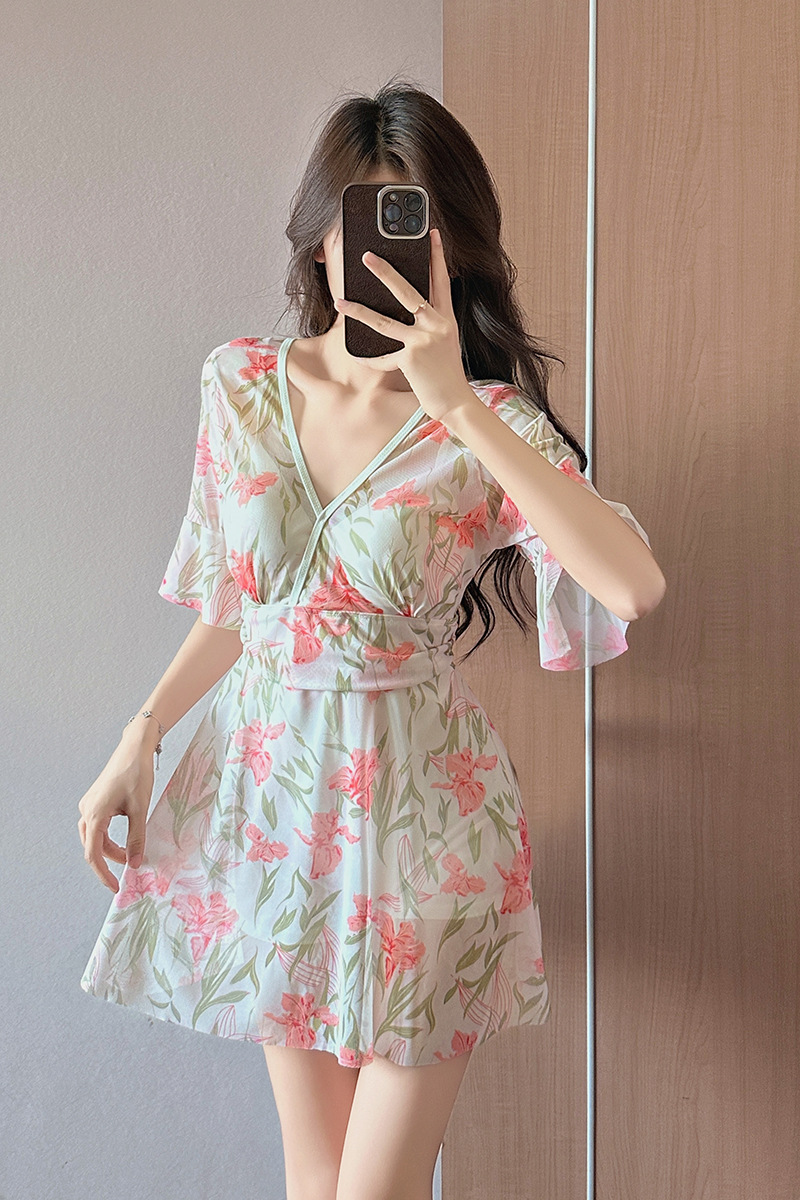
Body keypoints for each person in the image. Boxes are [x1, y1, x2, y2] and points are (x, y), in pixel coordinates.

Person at [77, 80, 665, 1200]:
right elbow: (242, 604)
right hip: (269, 820)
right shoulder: (240, 386)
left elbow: (630, 586)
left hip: (424, 829)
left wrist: (457, 406)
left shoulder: (486, 423)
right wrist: (141, 734)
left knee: (374, 1193)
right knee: (315, 1180)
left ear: (456, 248)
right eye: (364, 221)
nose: (385, 256)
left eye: (416, 226)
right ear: (321, 235)